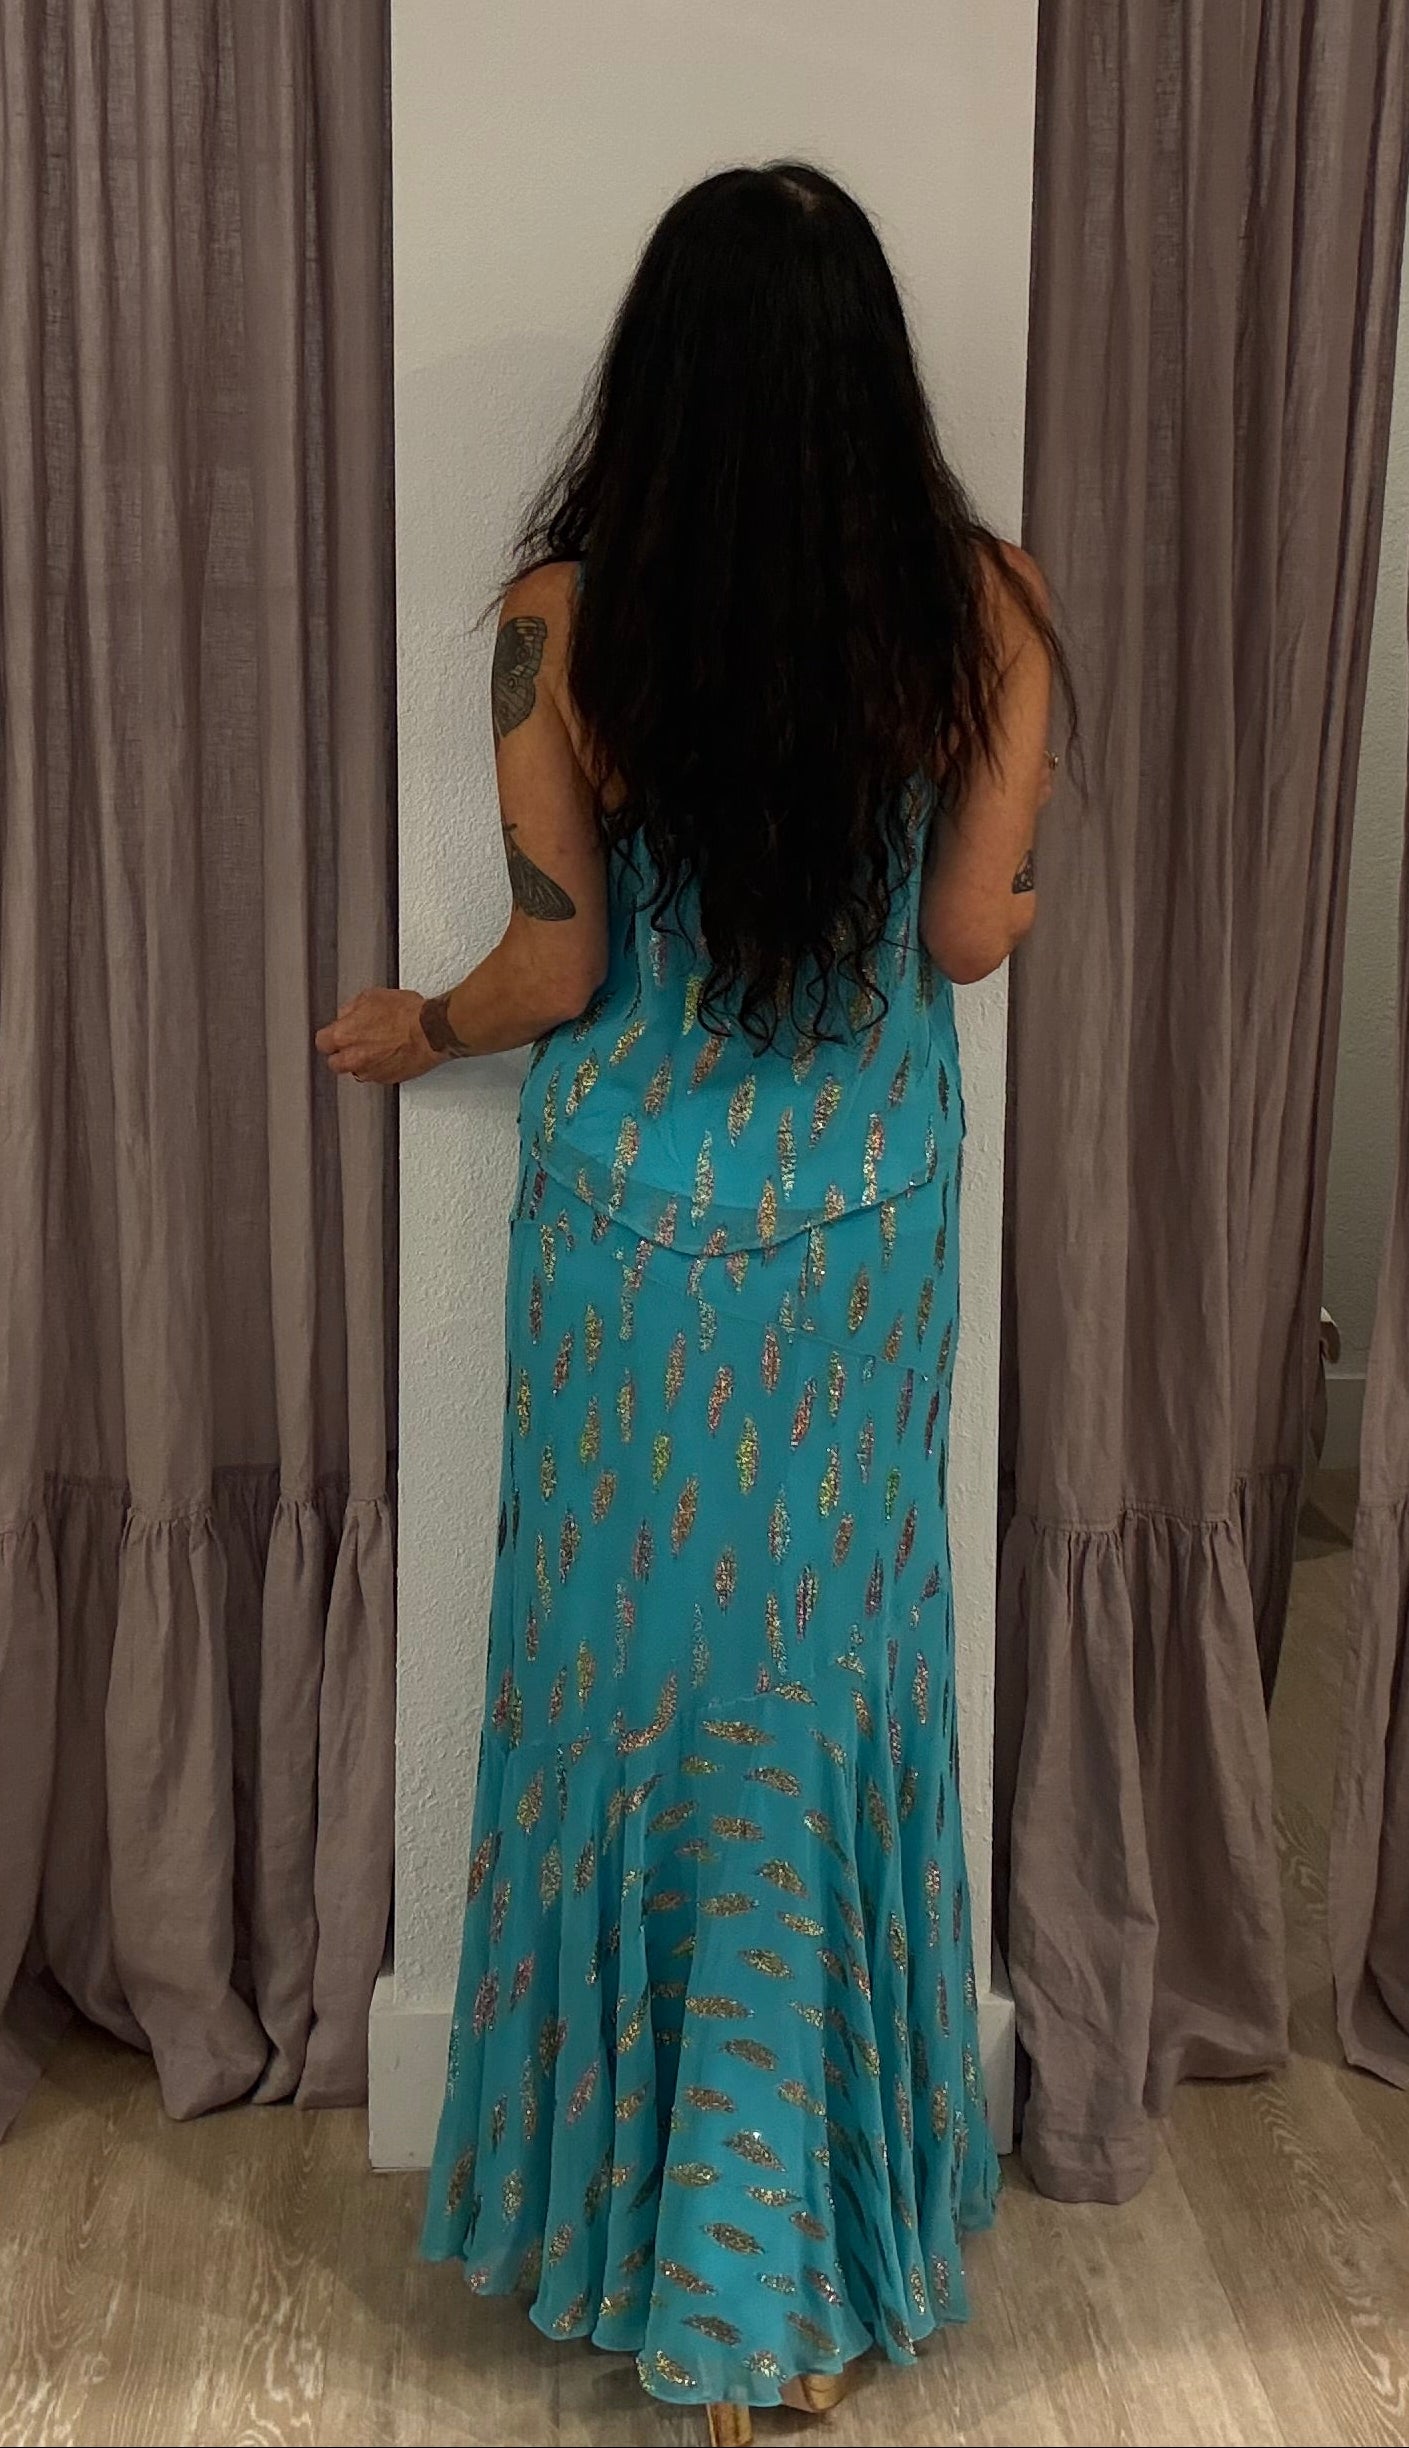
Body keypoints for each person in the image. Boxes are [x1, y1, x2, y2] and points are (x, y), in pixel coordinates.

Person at [317, 160, 1069, 2448]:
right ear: (872, 376)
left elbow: (558, 972)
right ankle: (795, 2278)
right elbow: (966, 940)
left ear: (658, 373)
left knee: (621, 1692)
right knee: (827, 1700)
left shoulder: (560, 621)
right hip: (859, 1233)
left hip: (632, 1250)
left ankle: (648, 2244)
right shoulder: (987, 606)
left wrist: (419, 1027)